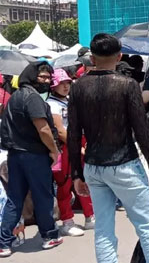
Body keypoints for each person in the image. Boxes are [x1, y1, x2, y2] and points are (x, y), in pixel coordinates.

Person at [67, 34, 149, 262]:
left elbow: (74, 134)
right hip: (124, 164)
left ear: (91, 58)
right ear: (119, 56)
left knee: (103, 230)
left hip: (93, 165)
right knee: (148, 229)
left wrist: (76, 173)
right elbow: (141, 129)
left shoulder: (79, 87)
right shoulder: (127, 85)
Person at [0, 62, 62, 257]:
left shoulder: (15, 97)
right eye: (42, 77)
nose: (46, 81)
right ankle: (49, 235)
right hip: (34, 155)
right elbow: (43, 129)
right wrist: (54, 150)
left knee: (14, 198)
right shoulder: (32, 98)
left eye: (48, 78)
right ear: (31, 76)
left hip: (15, 155)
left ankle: (3, 242)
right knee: (42, 196)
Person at [47, 69, 94, 237]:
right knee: (65, 184)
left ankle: (90, 216)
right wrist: (77, 147)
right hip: (65, 147)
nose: (65, 86)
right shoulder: (52, 104)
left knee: (84, 179)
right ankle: (67, 221)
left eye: (67, 83)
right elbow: (60, 131)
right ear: (54, 86)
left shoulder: (68, 101)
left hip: (76, 142)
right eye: (61, 83)